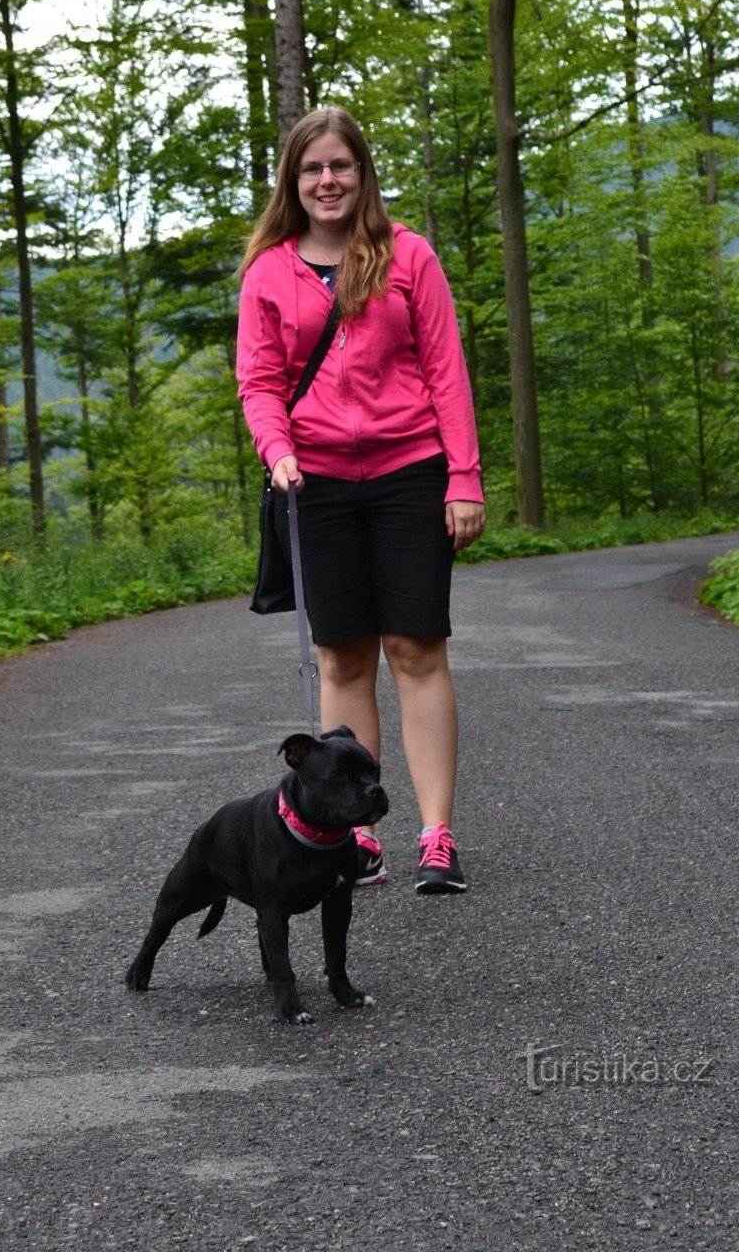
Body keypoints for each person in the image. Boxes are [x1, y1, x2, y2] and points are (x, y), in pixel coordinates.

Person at [236, 106, 486, 894]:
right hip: (316, 484)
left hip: (411, 470)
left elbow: (446, 372)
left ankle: (437, 834)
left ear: (362, 173)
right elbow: (259, 383)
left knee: (416, 649)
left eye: (341, 165)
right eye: (313, 169)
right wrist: (276, 452)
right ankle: (359, 836)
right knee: (344, 658)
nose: (328, 180)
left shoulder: (407, 256)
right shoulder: (269, 273)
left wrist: (464, 479)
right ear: (294, 182)